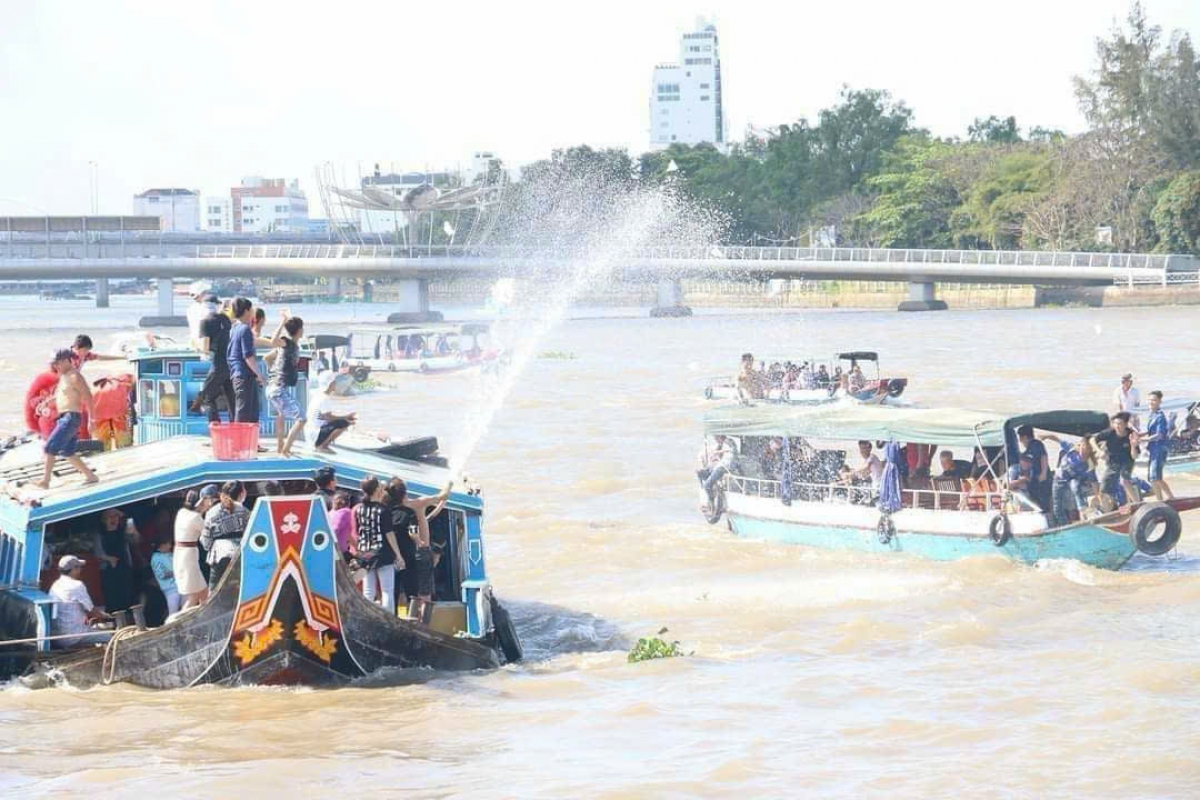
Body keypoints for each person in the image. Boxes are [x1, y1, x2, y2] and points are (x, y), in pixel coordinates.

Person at [34, 350, 99, 489]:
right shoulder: (64, 377)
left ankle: (45, 481)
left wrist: (92, 420)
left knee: (50, 447)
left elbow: (88, 397)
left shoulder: (75, 376)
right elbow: (60, 396)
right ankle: (90, 476)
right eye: (54, 364)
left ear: (66, 361)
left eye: (57, 363)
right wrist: (45, 403)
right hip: (65, 417)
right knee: (67, 452)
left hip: (71, 417)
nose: (55, 366)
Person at [398, 478, 452, 621]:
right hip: (422, 551)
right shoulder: (419, 503)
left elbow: (432, 514)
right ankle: (423, 623)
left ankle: (407, 619)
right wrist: (450, 483)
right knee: (425, 593)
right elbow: (443, 496)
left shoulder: (396, 507)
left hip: (405, 553)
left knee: (406, 592)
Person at [354, 476, 404, 612]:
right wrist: (398, 555)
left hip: (365, 552)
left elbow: (360, 531)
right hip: (383, 552)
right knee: (387, 590)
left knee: (368, 591)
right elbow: (389, 533)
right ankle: (388, 618)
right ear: (377, 490)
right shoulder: (383, 510)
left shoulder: (360, 509)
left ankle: (367, 617)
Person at [48, 555, 113, 648]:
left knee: (94, 629)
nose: (81, 570)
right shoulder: (77, 585)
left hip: (58, 636)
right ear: (73, 569)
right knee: (110, 637)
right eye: (79, 567)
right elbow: (91, 611)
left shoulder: (56, 585)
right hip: (73, 636)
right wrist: (107, 616)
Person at [266, 314, 306, 456]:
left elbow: (267, 358)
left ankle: (280, 448)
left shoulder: (289, 347)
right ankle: (286, 450)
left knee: (281, 415)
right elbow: (273, 341)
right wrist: (282, 322)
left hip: (273, 387)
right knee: (302, 419)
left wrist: (273, 373)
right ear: (299, 330)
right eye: (302, 328)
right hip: (278, 389)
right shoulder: (286, 343)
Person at [200, 480, 249, 593]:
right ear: (241, 494)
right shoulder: (244, 511)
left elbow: (206, 540)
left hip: (219, 556)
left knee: (214, 594)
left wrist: (209, 546)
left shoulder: (212, 512)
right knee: (238, 593)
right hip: (239, 556)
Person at [193, 293, 235, 423]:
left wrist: (195, 344)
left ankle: (215, 426)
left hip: (217, 366)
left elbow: (205, 348)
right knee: (231, 399)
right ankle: (236, 427)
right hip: (231, 365)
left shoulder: (205, 322)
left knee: (207, 397)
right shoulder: (225, 319)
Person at [1040, 434, 1096, 526]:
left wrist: (1098, 495)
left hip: (1074, 482)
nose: (1082, 450)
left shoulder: (1089, 463)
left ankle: (1083, 513)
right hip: (1058, 480)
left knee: (1075, 487)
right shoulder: (1071, 449)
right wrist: (1046, 436)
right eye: (1081, 447)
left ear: (1090, 450)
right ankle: (1064, 524)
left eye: (1086, 449)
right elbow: (1057, 439)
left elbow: (1094, 482)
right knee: (1057, 507)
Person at [174, 486, 215, 610]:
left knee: (203, 593)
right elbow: (209, 533)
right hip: (188, 559)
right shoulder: (195, 518)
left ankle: (205, 617)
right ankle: (179, 620)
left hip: (182, 556)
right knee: (194, 596)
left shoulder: (182, 513)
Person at [226, 297, 265, 424]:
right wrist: (259, 374)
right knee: (244, 412)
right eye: (252, 309)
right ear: (247, 311)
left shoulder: (234, 328)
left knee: (248, 411)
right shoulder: (244, 329)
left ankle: (249, 436)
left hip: (237, 374)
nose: (253, 312)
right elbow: (248, 356)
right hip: (244, 375)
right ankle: (240, 436)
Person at [93, 507, 135, 613]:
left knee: (126, 595)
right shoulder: (100, 534)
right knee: (112, 597)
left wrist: (129, 522)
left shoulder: (123, 531)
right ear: (104, 520)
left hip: (124, 568)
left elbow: (134, 540)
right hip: (108, 570)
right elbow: (98, 553)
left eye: (115, 516)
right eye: (109, 517)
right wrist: (109, 559)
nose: (113, 519)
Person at [385, 478, 418, 608]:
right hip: (408, 555)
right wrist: (419, 542)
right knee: (411, 590)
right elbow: (413, 533)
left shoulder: (386, 513)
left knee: (392, 590)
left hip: (390, 555)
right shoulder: (409, 513)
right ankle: (413, 616)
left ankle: (392, 615)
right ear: (404, 495)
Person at [1095, 412, 1140, 506]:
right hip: (1113, 462)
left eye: (1120, 424)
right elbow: (1092, 440)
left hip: (1127, 461)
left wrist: (1133, 446)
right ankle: (1109, 508)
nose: (1117, 426)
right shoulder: (1109, 432)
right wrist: (1099, 451)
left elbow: (1134, 456)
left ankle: (1137, 503)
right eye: (1115, 423)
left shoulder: (1131, 435)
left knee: (1124, 480)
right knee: (1103, 488)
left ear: (1126, 424)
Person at [306, 371, 356, 453]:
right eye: (335, 382)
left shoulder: (318, 395)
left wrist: (346, 416)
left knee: (343, 421)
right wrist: (346, 417)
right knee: (344, 423)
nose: (336, 384)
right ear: (330, 384)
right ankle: (322, 446)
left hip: (311, 432)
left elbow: (326, 416)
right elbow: (329, 418)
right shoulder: (324, 398)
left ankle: (321, 444)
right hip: (315, 434)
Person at [1141, 390, 1175, 501]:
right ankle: (1159, 500)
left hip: (1159, 449)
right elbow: (1151, 431)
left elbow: (1159, 435)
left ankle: (1171, 497)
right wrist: (1140, 434)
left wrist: (1141, 440)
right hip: (1152, 449)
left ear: (1160, 401)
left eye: (1154, 400)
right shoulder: (1152, 414)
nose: (1151, 402)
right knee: (1152, 478)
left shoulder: (1160, 416)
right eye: (1150, 400)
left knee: (1156, 477)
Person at [1016, 424, 1051, 512]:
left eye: (1020, 438)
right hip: (1033, 481)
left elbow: (1043, 456)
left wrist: (1043, 473)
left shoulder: (1036, 444)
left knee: (1044, 502)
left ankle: (1046, 515)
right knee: (1036, 502)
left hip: (1042, 480)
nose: (1020, 440)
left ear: (1025, 437)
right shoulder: (1026, 451)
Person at [150, 538, 180, 617]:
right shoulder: (156, 557)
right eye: (168, 543)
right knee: (173, 613)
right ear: (162, 545)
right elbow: (161, 574)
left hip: (180, 585)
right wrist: (176, 572)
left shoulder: (170, 554)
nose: (170, 545)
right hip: (170, 589)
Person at [329, 491, 356, 555]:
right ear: (348, 503)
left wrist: (356, 547)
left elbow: (347, 534)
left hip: (331, 549)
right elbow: (335, 530)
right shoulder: (346, 512)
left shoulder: (331, 513)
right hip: (339, 552)